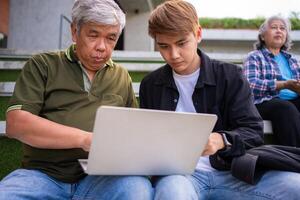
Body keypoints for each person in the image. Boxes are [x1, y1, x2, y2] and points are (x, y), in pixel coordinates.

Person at [139, 1, 300, 199]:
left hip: (233, 172)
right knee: (173, 193)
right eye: (163, 46)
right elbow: (147, 142)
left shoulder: (230, 75)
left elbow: (253, 132)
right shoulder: (150, 85)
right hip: (179, 177)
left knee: (296, 186)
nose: (173, 55)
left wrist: (221, 140)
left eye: (181, 43)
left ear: (198, 34)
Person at [0, 0, 153, 199]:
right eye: (93, 35)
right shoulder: (43, 64)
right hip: (43, 176)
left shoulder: (121, 76)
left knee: (137, 188)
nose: (101, 47)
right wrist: (86, 139)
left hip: (100, 178)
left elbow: (133, 132)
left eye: (111, 38)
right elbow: (17, 123)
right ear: (74, 31)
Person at [243, 16, 300, 147]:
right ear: (263, 36)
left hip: (292, 101)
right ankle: (294, 157)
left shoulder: (293, 60)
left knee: (289, 106)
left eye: (282, 28)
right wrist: (283, 85)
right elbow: (249, 85)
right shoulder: (255, 56)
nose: (279, 31)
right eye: (274, 27)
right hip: (263, 102)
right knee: (285, 108)